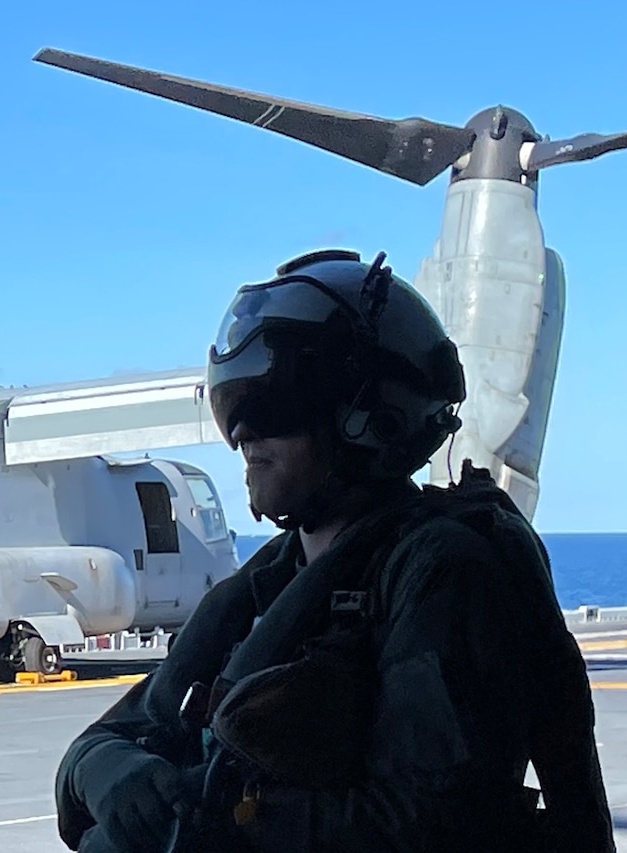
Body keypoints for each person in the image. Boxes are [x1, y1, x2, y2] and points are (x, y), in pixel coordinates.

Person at [54, 249, 614, 852]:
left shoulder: (440, 571)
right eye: (236, 407)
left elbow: (433, 822)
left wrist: (218, 817)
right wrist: (104, 769)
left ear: (370, 417)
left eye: (274, 405)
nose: (243, 433)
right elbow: (112, 736)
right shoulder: (270, 582)